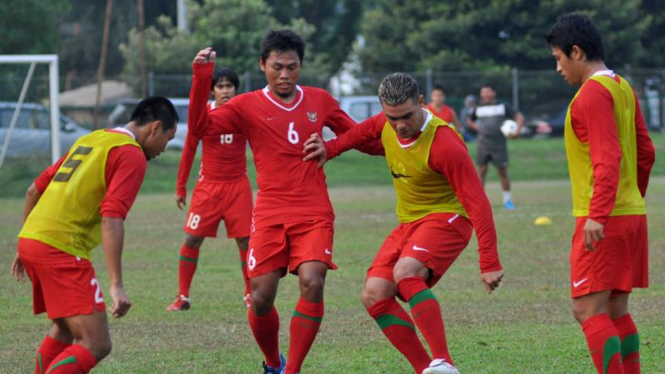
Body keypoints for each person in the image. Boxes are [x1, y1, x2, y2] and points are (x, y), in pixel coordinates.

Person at [188, 30, 383, 374]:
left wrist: (396, 128)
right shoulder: (245, 105)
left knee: (313, 281)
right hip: (268, 212)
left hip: (313, 211)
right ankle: (272, 362)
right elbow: (200, 127)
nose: (285, 75)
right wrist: (201, 78)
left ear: (300, 66)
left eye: (292, 67)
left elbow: (358, 136)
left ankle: (291, 370)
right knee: (261, 298)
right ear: (262, 64)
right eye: (277, 67)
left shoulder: (320, 100)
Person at [304, 73, 503, 374]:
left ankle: (444, 362)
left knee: (406, 272)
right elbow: (357, 135)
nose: (399, 125)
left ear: (421, 103)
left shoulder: (444, 143)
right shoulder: (386, 123)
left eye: (406, 116)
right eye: (391, 117)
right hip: (409, 223)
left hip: (448, 217)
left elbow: (478, 204)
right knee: (374, 294)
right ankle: (427, 370)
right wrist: (329, 150)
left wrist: (489, 260)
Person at [10, 96, 178, 374]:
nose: (164, 148)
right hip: (60, 246)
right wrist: (116, 285)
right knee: (96, 343)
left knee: (65, 331)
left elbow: (34, 190)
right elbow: (111, 217)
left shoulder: (94, 139)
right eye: (168, 139)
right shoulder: (131, 154)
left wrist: (27, 239)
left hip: (33, 238)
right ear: (155, 128)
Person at [546, 14, 655, 374]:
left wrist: (599, 213)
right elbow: (646, 152)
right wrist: (630, 201)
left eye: (559, 59)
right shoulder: (621, 86)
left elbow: (607, 158)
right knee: (615, 310)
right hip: (629, 215)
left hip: (603, 219)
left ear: (576, 51)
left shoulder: (591, 94)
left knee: (588, 310)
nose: (558, 68)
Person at [168, 67, 254, 311]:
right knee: (192, 238)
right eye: (220, 86)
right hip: (209, 187)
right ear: (213, 90)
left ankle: (249, 294)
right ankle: (183, 296)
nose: (225, 91)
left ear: (235, 89)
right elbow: (189, 149)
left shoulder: (244, 113)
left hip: (238, 185)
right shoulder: (203, 114)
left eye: (229, 86)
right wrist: (180, 186)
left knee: (246, 241)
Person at [467, 84, 524, 210]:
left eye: (487, 92)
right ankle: (480, 202)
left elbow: (519, 117)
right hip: (483, 144)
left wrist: (517, 132)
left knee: (503, 172)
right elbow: (469, 120)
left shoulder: (502, 106)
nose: (485, 95)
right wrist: (478, 128)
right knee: (481, 172)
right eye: (483, 93)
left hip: (499, 144)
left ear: (494, 93)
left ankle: (507, 201)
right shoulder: (478, 107)